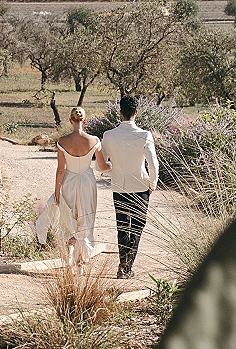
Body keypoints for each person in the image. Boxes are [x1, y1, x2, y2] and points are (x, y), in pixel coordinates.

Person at [101, 95, 159, 279]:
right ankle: (127, 265)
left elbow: (100, 165)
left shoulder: (108, 135)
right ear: (136, 112)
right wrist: (153, 184)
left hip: (119, 186)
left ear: (120, 112)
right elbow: (154, 164)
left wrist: (114, 170)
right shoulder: (144, 135)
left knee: (122, 225)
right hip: (141, 186)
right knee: (137, 226)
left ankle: (123, 264)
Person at [54, 107, 111, 271]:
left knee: (70, 218)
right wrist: (114, 165)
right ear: (85, 121)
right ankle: (81, 261)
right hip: (87, 181)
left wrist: (57, 192)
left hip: (69, 180)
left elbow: (60, 170)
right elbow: (102, 166)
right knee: (85, 218)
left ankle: (70, 255)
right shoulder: (94, 140)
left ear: (70, 121)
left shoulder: (62, 141)